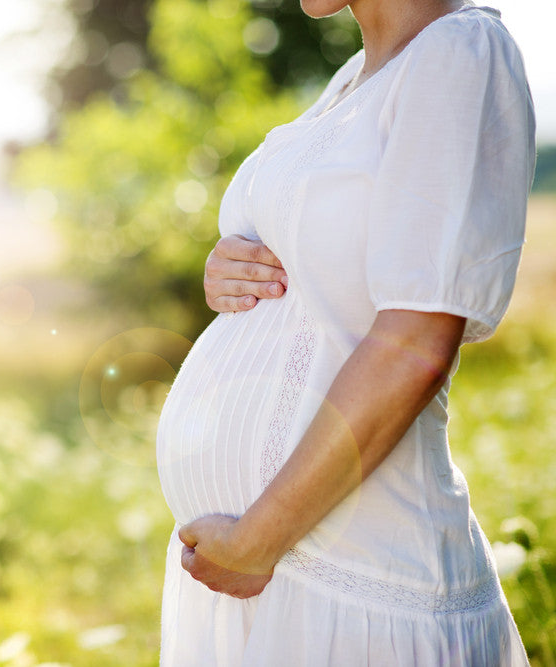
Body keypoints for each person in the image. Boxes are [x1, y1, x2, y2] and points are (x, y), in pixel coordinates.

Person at [155, 0, 535, 664]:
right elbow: (325, 268)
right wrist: (230, 268)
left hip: (354, 583)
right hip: (270, 570)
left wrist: (259, 539)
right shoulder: (356, 77)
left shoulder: (461, 52)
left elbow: (416, 345)